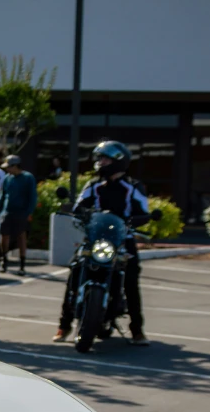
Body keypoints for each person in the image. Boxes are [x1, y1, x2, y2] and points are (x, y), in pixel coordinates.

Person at [52, 140, 150, 346]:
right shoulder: (93, 186)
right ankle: (65, 324)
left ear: (118, 160)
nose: (100, 162)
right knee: (75, 271)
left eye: (105, 158)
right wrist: (77, 212)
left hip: (123, 240)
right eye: (99, 158)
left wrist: (138, 219)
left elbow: (143, 211)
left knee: (131, 278)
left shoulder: (133, 186)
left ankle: (137, 329)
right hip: (96, 240)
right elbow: (79, 206)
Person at [0, 155, 37, 276]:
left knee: (21, 237)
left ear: (15, 166)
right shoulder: (7, 179)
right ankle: (4, 260)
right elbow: (2, 196)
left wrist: (29, 212)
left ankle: (22, 264)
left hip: (22, 212)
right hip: (8, 211)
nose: (7, 170)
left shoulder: (28, 178)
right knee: (4, 235)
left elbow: (32, 197)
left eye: (9, 167)